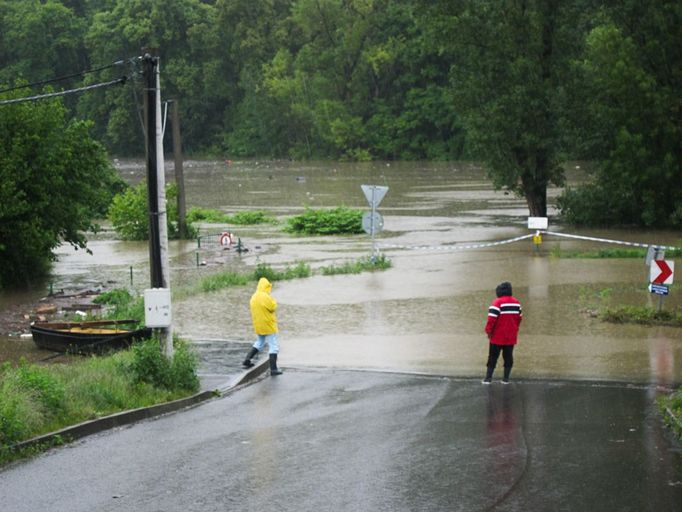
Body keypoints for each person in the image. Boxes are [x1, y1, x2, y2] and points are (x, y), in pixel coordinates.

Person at [483, 281, 522, 384]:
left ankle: (488, 379)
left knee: (492, 357)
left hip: (497, 337)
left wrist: (488, 331)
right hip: (511, 337)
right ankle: (505, 379)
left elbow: (491, 320)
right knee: (508, 357)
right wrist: (515, 329)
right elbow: (519, 318)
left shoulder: (496, 303)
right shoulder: (517, 302)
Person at [242, 277, 283, 375]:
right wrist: (273, 299)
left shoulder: (254, 296)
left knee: (259, 342)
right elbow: (273, 307)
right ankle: (273, 369)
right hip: (268, 325)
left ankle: (247, 359)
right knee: (274, 346)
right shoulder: (266, 296)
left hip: (258, 325)